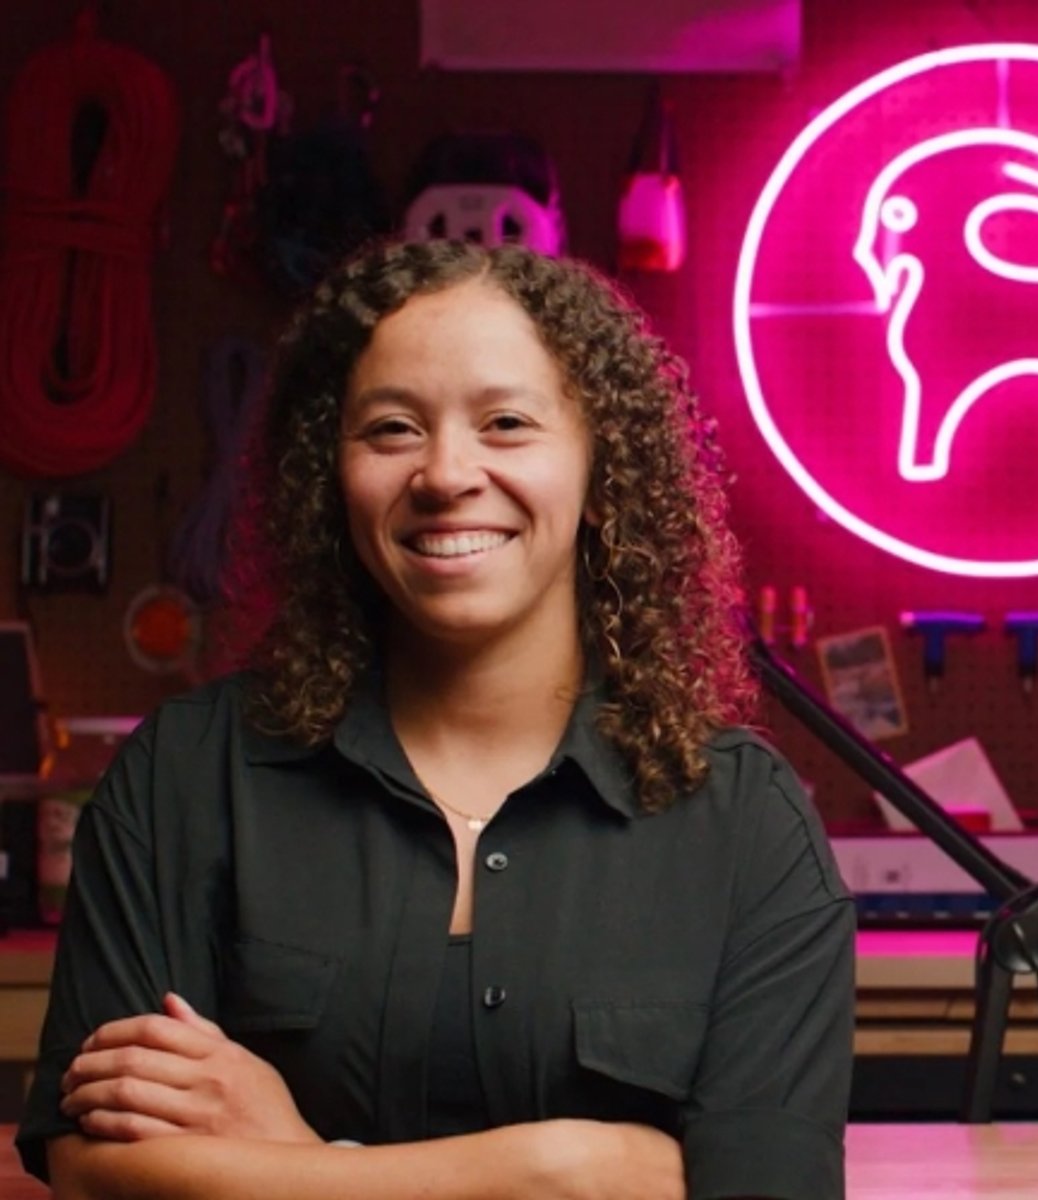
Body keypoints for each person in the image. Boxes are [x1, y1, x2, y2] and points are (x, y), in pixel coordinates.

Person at [17, 238, 856, 1199]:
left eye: (505, 422)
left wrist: (295, 1162)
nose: (446, 473)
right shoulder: (188, 776)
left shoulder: (746, 824)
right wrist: (566, 1171)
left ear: (601, 468)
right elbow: (96, 1172)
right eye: (390, 430)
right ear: (330, 476)